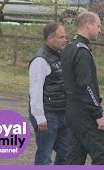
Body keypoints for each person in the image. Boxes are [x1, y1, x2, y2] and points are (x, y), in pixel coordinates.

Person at [61, 12, 104, 165]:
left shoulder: (69, 47)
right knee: (103, 158)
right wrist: (98, 114)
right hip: (85, 114)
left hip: (71, 111)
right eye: (98, 26)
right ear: (88, 24)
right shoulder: (82, 51)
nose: (100, 30)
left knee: (74, 159)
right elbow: (85, 86)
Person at [29, 22, 68, 165]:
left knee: (66, 153)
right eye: (61, 37)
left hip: (62, 113)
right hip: (47, 115)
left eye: (65, 36)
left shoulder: (60, 56)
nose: (65, 39)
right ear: (50, 38)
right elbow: (35, 90)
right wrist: (40, 117)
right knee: (44, 157)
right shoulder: (40, 60)